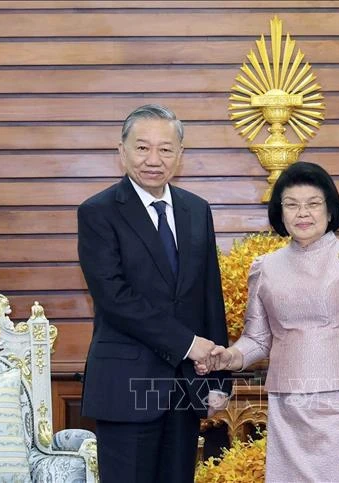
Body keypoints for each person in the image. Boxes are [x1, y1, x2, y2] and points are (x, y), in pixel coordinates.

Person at [196, 161, 339, 482]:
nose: (302, 213)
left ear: (330, 211)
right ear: (280, 213)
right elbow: (258, 339)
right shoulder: (265, 268)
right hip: (290, 409)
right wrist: (229, 356)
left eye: (313, 204)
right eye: (291, 205)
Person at [77, 104, 231, 483]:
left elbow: (210, 294)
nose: (153, 159)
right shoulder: (98, 212)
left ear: (179, 155)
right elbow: (115, 299)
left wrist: (218, 379)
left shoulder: (197, 210)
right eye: (142, 147)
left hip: (184, 389)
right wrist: (188, 343)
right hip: (126, 387)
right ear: (122, 152)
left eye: (165, 149)